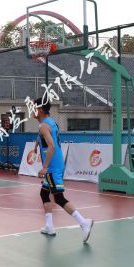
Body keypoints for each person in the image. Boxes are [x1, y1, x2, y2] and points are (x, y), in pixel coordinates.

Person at [32, 97, 94, 243]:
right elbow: (45, 136)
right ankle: (49, 226)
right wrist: (36, 144)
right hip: (56, 164)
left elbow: (52, 146)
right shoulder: (50, 122)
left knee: (59, 198)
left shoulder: (43, 126)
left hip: (52, 167)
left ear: (40, 109)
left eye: (34, 108)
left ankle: (84, 223)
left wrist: (45, 167)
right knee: (44, 193)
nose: (32, 110)